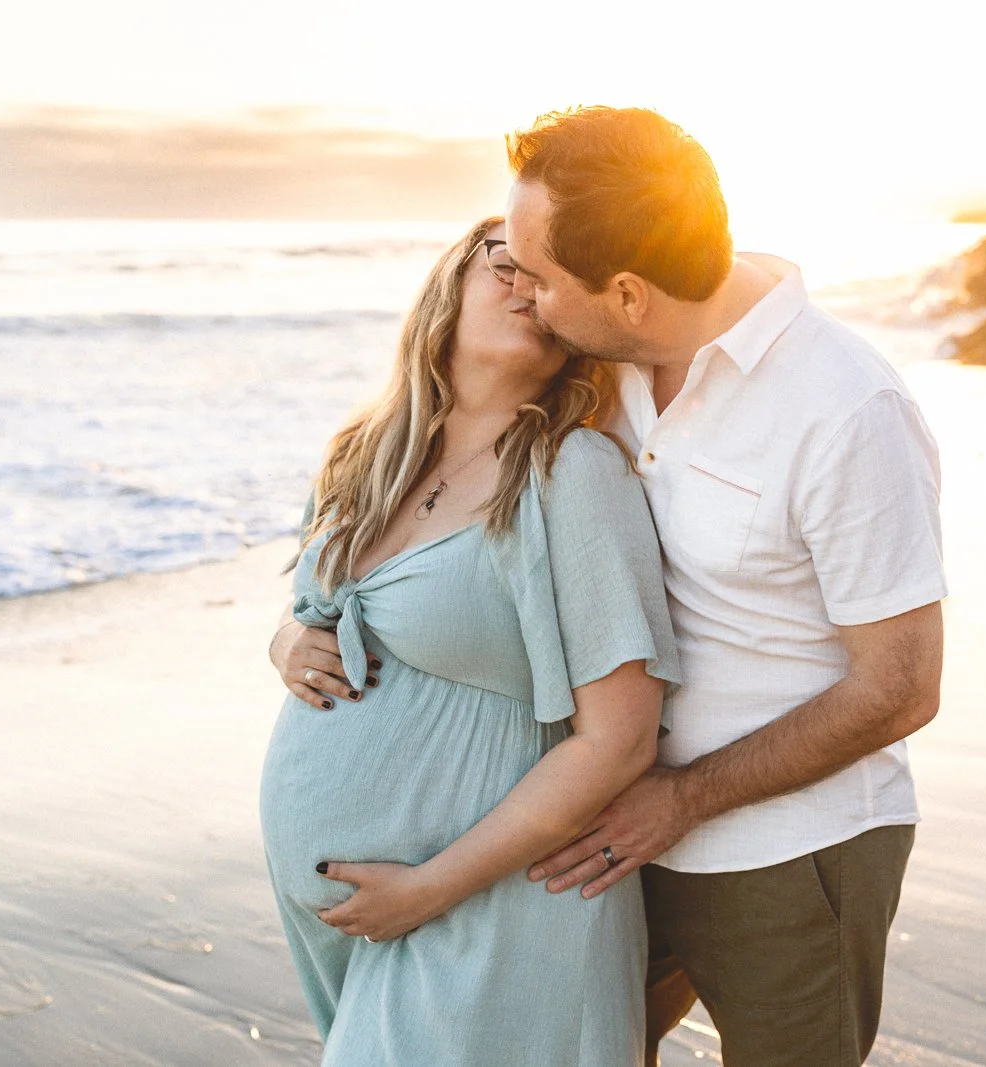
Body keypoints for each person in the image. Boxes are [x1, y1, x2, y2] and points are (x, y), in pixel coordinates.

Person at [506, 107, 947, 1066]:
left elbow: (901, 686)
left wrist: (685, 798)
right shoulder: (597, 365)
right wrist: (308, 624)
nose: (527, 301)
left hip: (792, 852)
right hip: (616, 825)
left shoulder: (846, 409)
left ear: (626, 291)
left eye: (538, 278)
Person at [258, 216, 680, 1067]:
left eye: (553, 277)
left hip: (496, 909)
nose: (529, 286)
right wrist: (284, 642)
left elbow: (621, 738)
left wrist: (426, 888)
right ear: (450, 280)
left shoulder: (573, 474)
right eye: (509, 264)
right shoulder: (360, 455)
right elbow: (313, 601)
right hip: (362, 926)